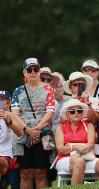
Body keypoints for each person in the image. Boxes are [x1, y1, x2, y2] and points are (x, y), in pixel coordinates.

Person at [11, 58, 55, 189]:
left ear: (39, 71)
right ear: (24, 72)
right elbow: (15, 114)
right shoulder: (18, 91)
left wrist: (36, 129)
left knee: (41, 172)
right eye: (29, 69)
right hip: (23, 135)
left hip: (42, 134)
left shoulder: (48, 89)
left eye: (36, 69)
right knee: (25, 173)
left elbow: (50, 112)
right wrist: (27, 129)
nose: (33, 72)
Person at [55, 99, 99, 185]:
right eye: (72, 111)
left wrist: (78, 152)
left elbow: (90, 145)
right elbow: (60, 149)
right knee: (79, 162)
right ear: (67, 114)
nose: (76, 113)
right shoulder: (60, 128)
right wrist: (74, 147)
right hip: (65, 159)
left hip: (87, 158)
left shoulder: (89, 126)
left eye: (79, 110)